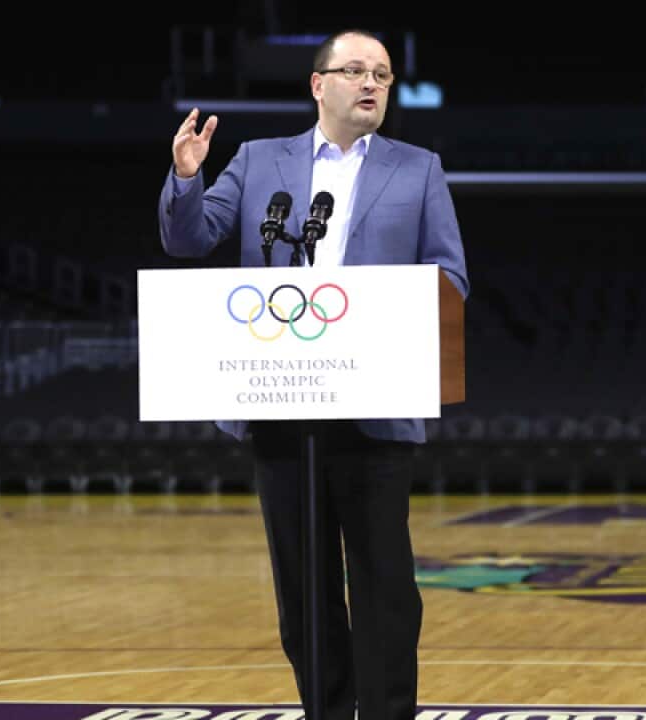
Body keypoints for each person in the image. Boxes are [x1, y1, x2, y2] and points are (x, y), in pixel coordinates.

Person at [156, 29, 469, 720]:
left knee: (386, 585)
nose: (372, 83)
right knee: (303, 589)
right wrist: (186, 177)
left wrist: (383, 312)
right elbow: (188, 238)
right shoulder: (257, 159)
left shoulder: (419, 169)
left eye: (382, 74)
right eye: (356, 70)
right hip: (281, 404)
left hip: (375, 411)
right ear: (318, 84)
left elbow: (451, 276)